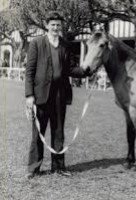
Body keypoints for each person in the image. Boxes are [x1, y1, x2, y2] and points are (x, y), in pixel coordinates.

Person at [25, 11, 91, 178]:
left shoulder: (65, 45)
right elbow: (29, 71)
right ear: (47, 25)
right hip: (40, 95)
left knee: (58, 131)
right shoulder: (36, 43)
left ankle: (58, 167)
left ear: (61, 26)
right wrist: (29, 95)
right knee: (37, 134)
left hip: (60, 95)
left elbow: (69, 69)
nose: (55, 27)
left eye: (58, 25)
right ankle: (34, 168)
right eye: (53, 24)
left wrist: (85, 71)